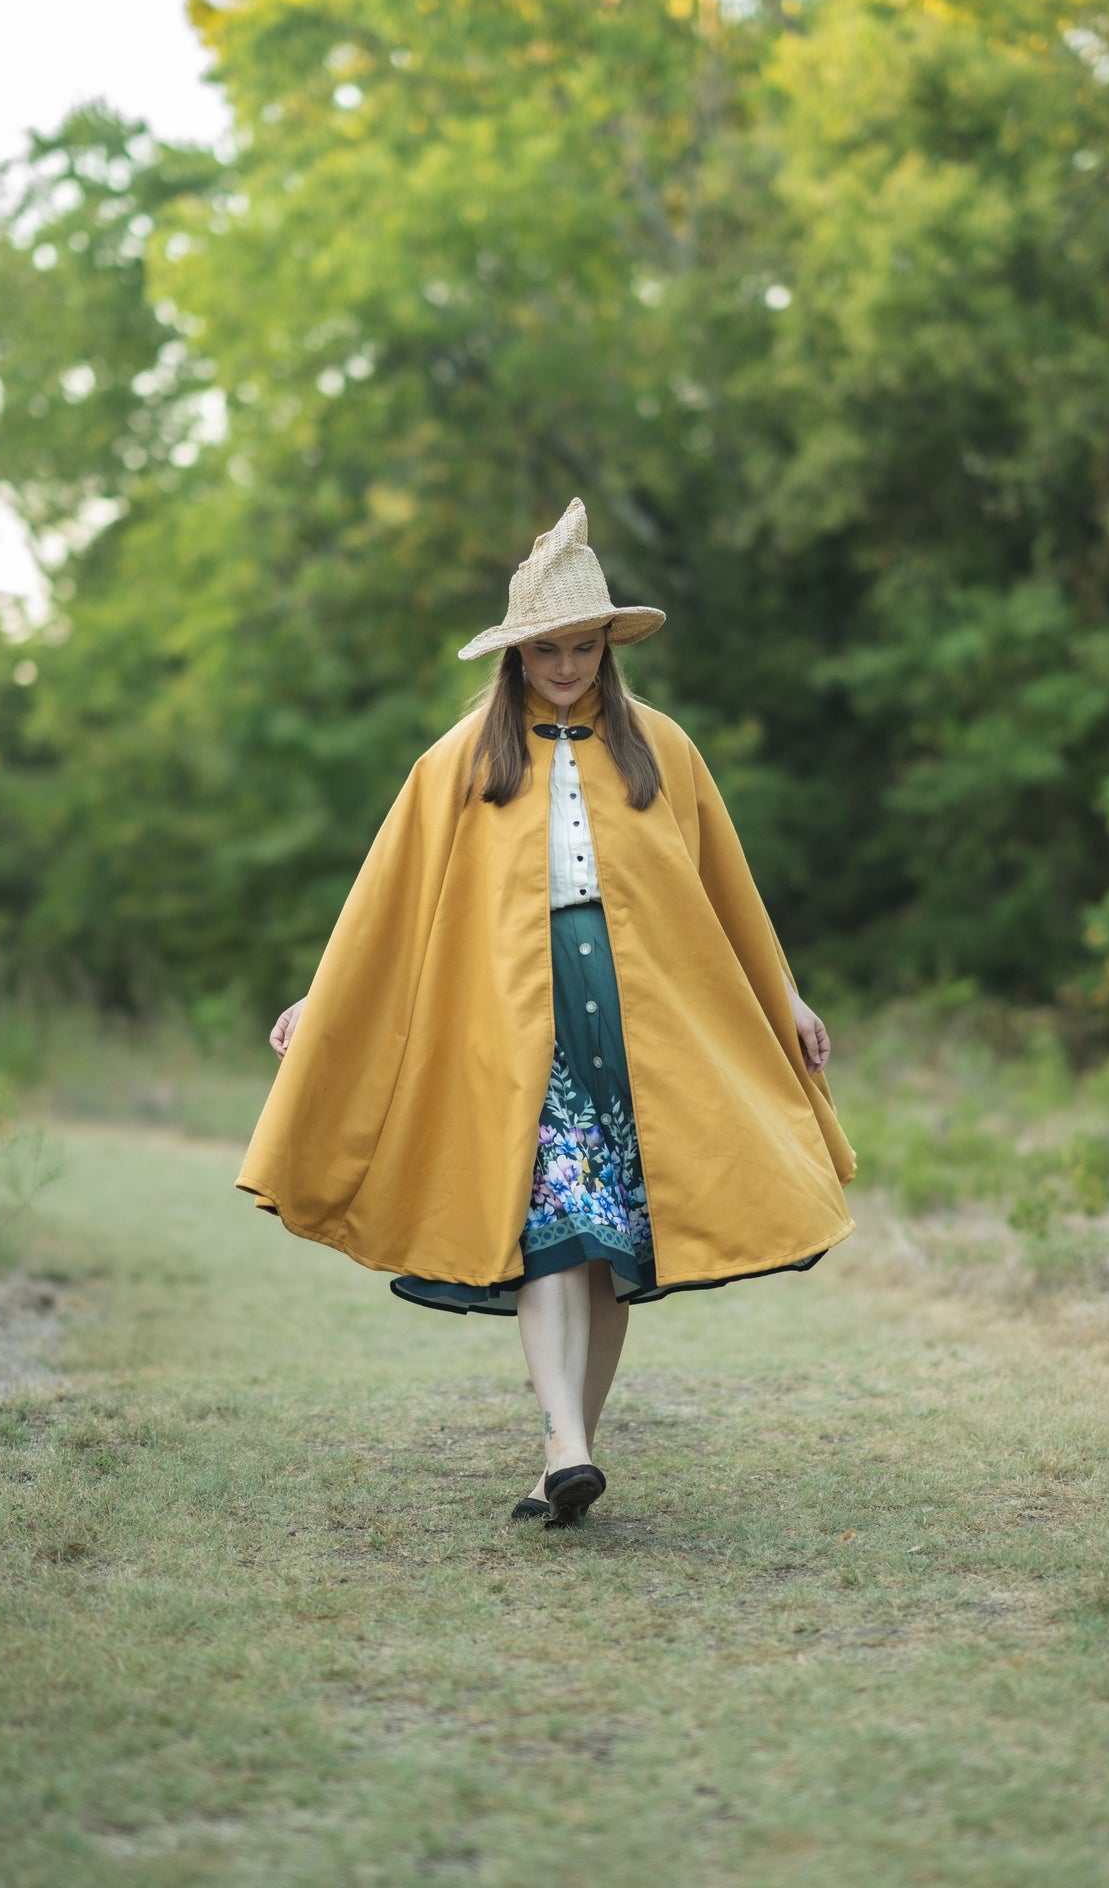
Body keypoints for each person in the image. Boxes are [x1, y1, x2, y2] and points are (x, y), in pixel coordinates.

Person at [238, 498, 856, 1527]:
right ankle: (560, 1437)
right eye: (546, 651)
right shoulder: (458, 758)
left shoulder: (660, 749)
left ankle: (567, 1455)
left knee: (607, 1243)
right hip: (508, 1020)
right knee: (548, 1228)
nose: (565, 666)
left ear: (607, 645)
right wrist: (326, 993)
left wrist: (781, 995)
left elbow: (723, 884)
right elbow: (384, 893)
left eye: (581, 647)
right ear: (514, 653)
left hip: (634, 1019)